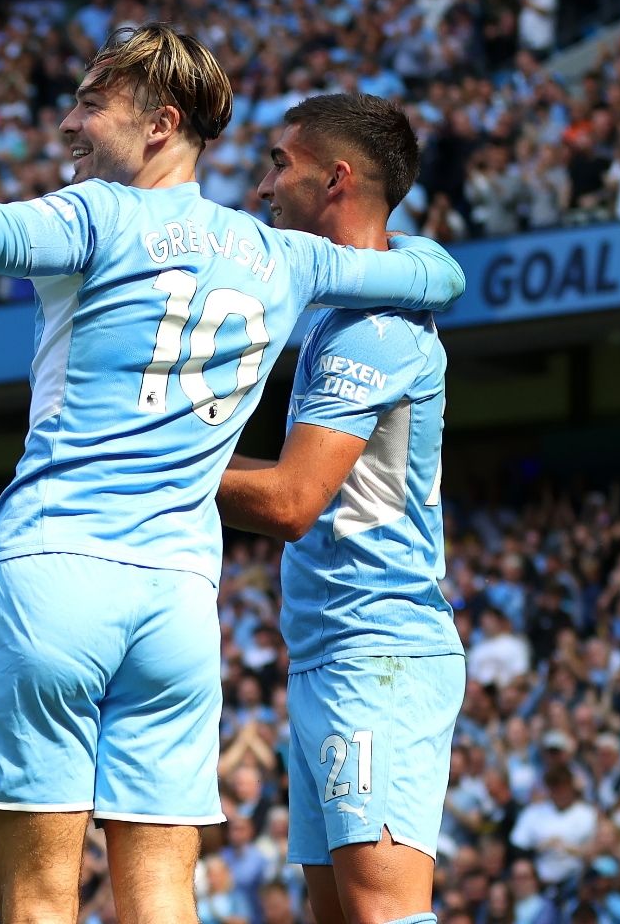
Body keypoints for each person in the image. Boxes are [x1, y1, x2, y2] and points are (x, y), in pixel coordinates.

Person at [0, 14, 466, 923]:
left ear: (160, 124)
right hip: (178, 606)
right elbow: (435, 277)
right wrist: (427, 254)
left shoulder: (95, 214)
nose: (68, 124)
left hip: (58, 567)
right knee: (163, 892)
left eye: (91, 105)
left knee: (39, 897)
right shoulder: (281, 256)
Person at [217, 94, 464, 924]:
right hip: (330, 652)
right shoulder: (343, 311)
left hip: (378, 654)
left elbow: (291, 501)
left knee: (384, 915)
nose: (262, 186)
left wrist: (150, 460)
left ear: (337, 179)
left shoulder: (374, 329)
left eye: (279, 164)